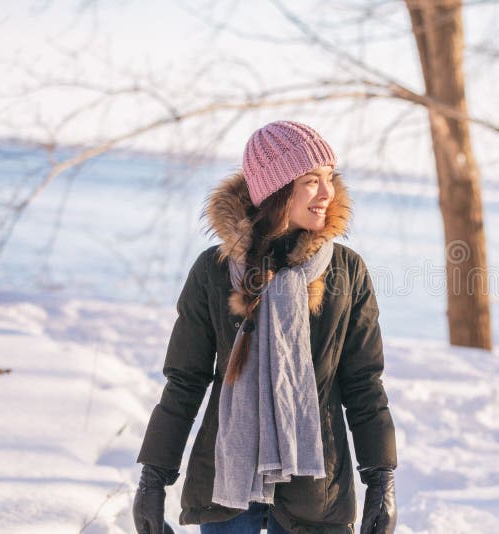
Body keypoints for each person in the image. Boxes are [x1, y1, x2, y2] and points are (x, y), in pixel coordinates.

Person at [132, 121, 398, 534]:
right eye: (311, 181)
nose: (327, 193)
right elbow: (185, 381)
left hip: (317, 493)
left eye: (330, 178)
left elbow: (363, 383)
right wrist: (153, 478)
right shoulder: (215, 271)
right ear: (275, 190)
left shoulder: (346, 271)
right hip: (227, 492)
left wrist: (381, 479)